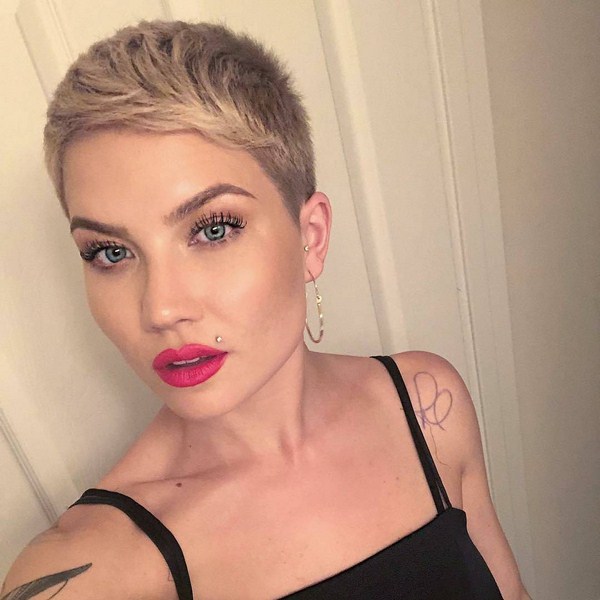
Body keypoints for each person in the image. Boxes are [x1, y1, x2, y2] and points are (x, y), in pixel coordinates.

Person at [2, 20, 531, 600]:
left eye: (213, 229)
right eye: (110, 252)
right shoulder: (92, 571)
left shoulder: (427, 405)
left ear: (311, 237)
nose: (161, 308)